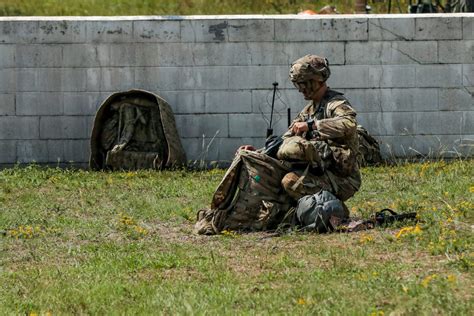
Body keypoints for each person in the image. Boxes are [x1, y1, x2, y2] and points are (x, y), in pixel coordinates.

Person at [277, 54, 361, 203]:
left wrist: (313, 125)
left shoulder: (336, 103)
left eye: (303, 84)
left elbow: (349, 123)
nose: (300, 90)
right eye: (298, 85)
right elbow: (286, 139)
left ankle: (333, 214)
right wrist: (258, 152)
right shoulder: (308, 111)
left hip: (342, 177)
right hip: (319, 171)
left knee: (290, 182)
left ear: (316, 82)